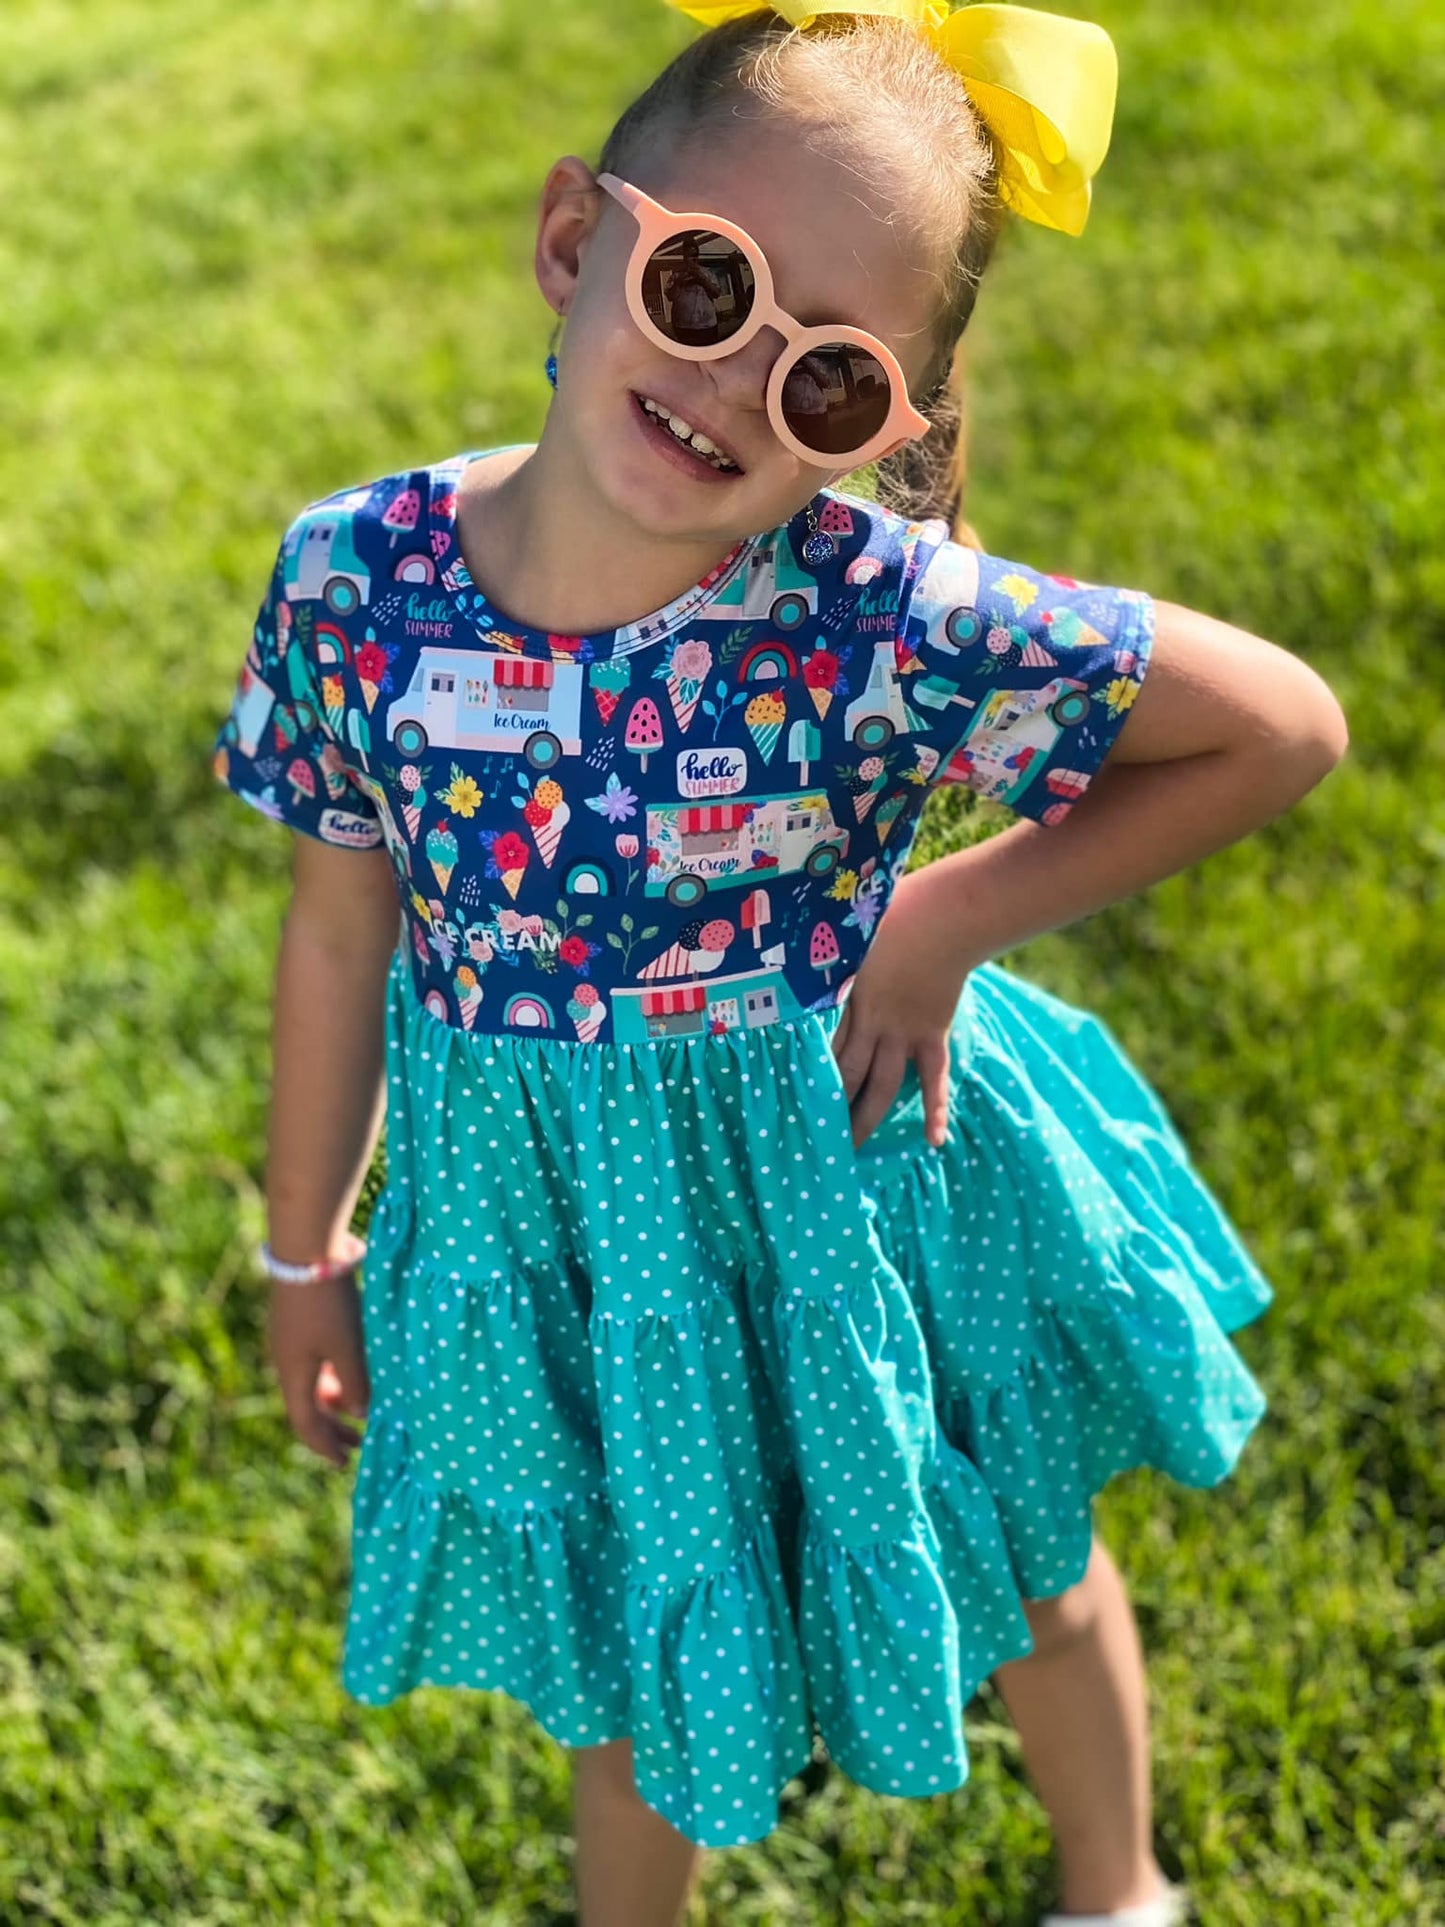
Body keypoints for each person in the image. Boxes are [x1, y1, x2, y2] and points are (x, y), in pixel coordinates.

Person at [208, 5, 1349, 1924]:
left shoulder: (872, 611)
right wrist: (299, 1247)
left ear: (891, 428)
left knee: (1014, 1560)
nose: (737, 384)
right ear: (579, 240)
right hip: (566, 1226)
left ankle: (1117, 1887)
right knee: (646, 1620)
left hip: (853, 1181)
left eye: (828, 381)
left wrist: (942, 917)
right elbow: (338, 929)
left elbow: (1285, 727)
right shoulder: (358, 582)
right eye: (707, 282)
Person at [666, 234, 725, 344]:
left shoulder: (708, 273)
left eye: (696, 254)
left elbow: (716, 293)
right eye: (690, 255)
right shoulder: (676, 275)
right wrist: (680, 280)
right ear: (684, 256)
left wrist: (701, 278)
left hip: (707, 325)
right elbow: (670, 296)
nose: (694, 258)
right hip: (683, 326)